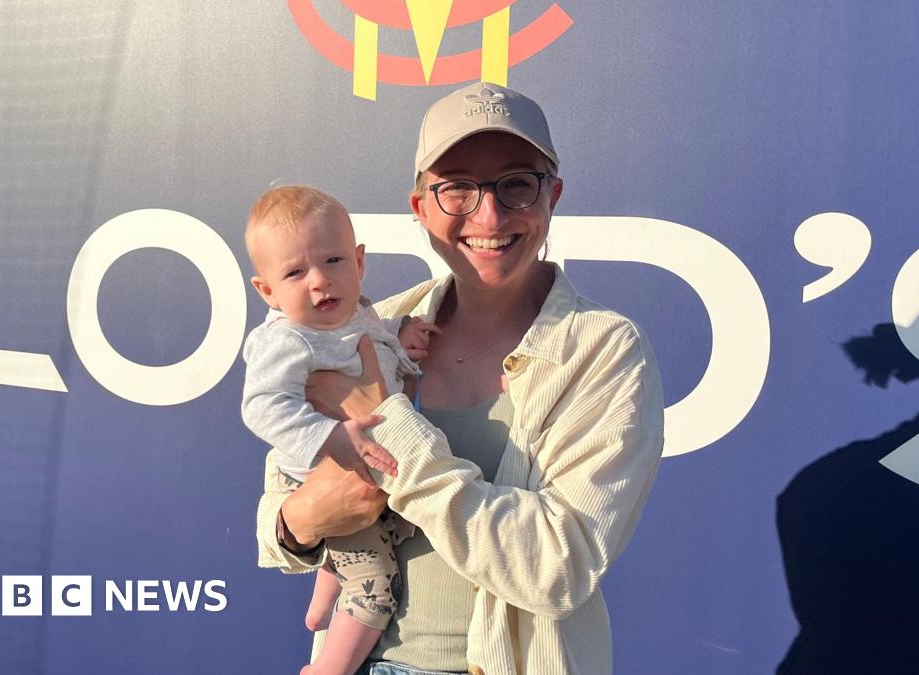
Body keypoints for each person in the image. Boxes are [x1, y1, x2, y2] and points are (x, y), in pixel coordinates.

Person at [256, 82, 665, 675]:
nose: (489, 215)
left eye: (516, 184)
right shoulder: (375, 327)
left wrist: (395, 432)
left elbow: (560, 567)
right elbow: (277, 514)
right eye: (457, 189)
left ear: (553, 196)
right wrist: (301, 523)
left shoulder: (603, 350)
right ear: (420, 206)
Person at [241, 185, 439, 675]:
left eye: (332, 261)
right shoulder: (286, 340)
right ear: (267, 290)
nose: (319, 282)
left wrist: (402, 331)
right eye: (294, 272)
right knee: (375, 590)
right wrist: (329, 437)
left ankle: (318, 608)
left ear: (359, 262)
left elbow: (369, 336)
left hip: (362, 482)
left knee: (371, 539)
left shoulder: (356, 313)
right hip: (325, 478)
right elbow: (262, 406)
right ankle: (329, 667)